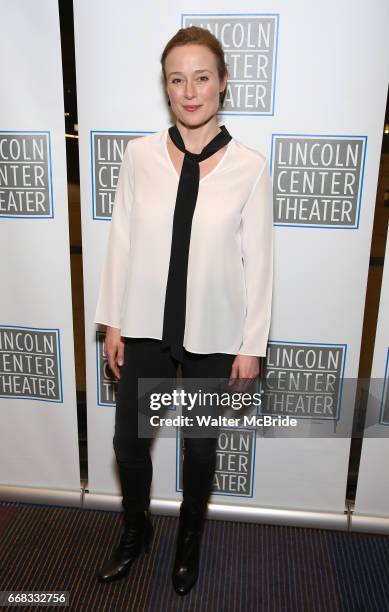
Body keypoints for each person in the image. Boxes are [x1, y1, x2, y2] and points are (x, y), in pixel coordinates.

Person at [93, 26, 273, 595]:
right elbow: (121, 240)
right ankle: (136, 529)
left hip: (214, 332)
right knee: (128, 441)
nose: (189, 91)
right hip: (144, 323)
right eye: (177, 79)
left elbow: (259, 261)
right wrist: (113, 321)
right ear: (165, 87)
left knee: (200, 447)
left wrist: (252, 345)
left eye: (202, 77)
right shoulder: (139, 155)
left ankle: (189, 537)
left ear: (223, 83)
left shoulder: (250, 166)